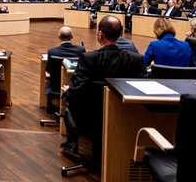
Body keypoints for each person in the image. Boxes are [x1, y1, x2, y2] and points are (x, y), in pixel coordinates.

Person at [61, 16, 145, 166]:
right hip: (126, 115)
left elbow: (76, 92)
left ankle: (72, 145)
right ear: (120, 34)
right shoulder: (136, 59)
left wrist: (69, 90)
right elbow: (142, 89)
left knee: (67, 98)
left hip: (90, 116)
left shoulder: (89, 58)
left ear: (100, 34)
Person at [45, 26, 85, 114]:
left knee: (48, 79)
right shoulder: (81, 50)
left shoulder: (52, 52)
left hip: (56, 86)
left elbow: (48, 69)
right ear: (72, 36)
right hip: (74, 85)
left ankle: (50, 105)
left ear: (59, 36)